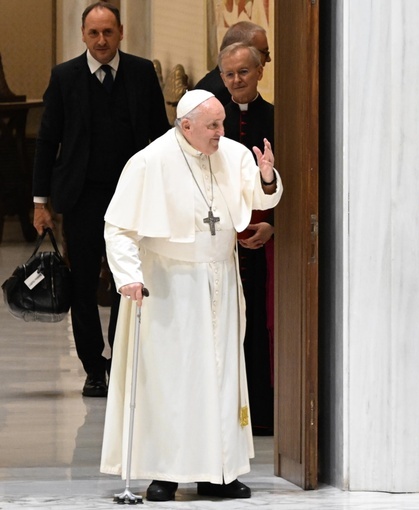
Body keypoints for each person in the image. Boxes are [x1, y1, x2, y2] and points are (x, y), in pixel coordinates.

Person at [99, 89, 283, 501]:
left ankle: (218, 472)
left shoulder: (232, 153)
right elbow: (119, 227)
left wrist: (267, 175)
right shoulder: (149, 162)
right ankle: (164, 472)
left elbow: (260, 196)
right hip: (169, 285)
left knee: (220, 376)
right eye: (213, 125)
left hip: (220, 278)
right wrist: (128, 275)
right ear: (186, 127)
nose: (222, 132)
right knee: (172, 380)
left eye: (221, 123)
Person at [31, 1, 169, 397]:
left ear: (121, 32)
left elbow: (160, 137)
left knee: (128, 280)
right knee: (83, 282)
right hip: (82, 197)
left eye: (108, 32)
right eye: (94, 33)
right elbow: (47, 139)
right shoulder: (65, 77)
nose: (102, 40)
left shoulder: (141, 73)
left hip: (132, 197)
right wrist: (41, 202)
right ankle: (94, 366)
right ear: (83, 35)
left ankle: (121, 358)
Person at [219, 41, 276, 434]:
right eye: (229, 74)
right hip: (219, 240)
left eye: (244, 72)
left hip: (264, 240)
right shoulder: (211, 120)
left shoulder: (276, 117)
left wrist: (274, 224)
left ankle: (260, 414)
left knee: (257, 325)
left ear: (259, 72)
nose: (237, 80)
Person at [194, 21, 271, 106]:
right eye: (264, 52)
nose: (268, 59)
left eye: (243, 72)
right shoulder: (221, 95)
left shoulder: (214, 82)